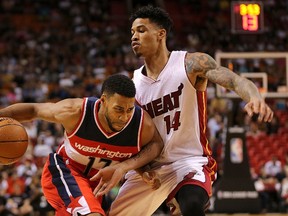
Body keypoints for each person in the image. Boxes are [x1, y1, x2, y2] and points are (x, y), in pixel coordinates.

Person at [104, 5, 274, 216]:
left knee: (192, 205)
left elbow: (235, 80)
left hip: (188, 162)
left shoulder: (190, 64)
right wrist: (143, 170)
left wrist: (255, 96)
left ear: (160, 34)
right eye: (132, 32)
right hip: (152, 167)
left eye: (141, 30)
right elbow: (136, 138)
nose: (134, 37)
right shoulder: (134, 84)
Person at [0, 74, 164, 216]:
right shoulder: (76, 112)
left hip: (96, 185)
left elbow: (155, 144)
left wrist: (138, 169)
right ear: (104, 101)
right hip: (65, 170)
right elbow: (33, 110)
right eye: (119, 109)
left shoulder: (140, 124)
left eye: (129, 109)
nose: (124, 117)